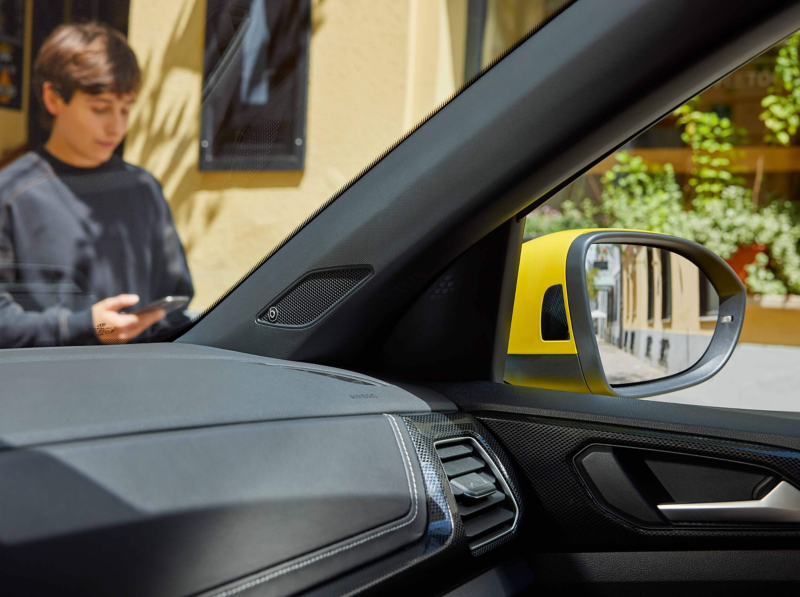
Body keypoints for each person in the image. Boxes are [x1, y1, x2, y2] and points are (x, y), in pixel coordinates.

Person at [0, 22, 193, 348]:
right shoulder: (12, 194)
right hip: (43, 390)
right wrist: (86, 327)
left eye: (126, 108)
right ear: (53, 98)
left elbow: (174, 300)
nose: (116, 126)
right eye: (100, 109)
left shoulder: (144, 189)